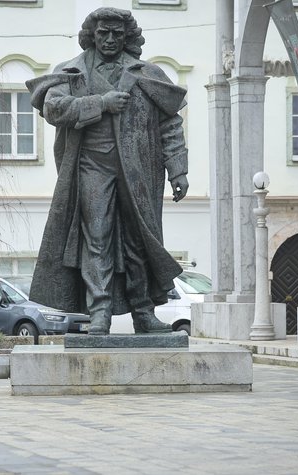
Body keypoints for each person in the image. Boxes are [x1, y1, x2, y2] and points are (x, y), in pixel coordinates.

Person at [26, 7, 189, 335]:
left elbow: (170, 123)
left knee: (139, 239)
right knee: (96, 238)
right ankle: (99, 312)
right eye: (104, 33)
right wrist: (100, 103)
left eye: (117, 33)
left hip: (140, 171)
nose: (111, 39)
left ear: (127, 36)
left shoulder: (146, 73)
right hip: (91, 166)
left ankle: (143, 312)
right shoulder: (72, 72)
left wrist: (178, 169)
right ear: (92, 35)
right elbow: (52, 107)